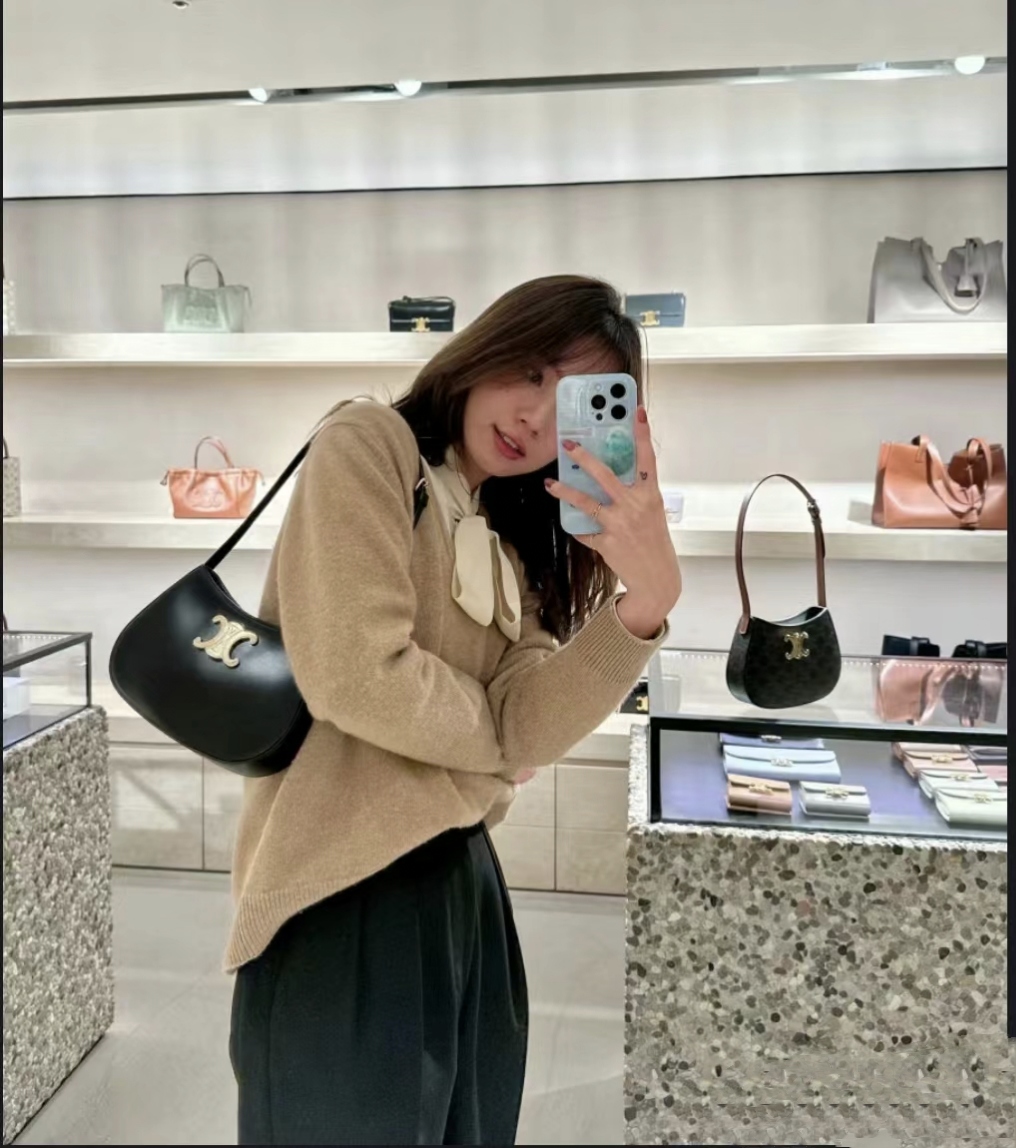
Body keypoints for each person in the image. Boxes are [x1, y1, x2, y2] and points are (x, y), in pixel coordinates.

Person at [227, 274, 682, 1146]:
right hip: (341, 894)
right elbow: (358, 676)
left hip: (464, 891)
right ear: (488, 344)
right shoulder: (369, 444)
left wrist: (645, 606)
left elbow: (533, 722)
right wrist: (497, 740)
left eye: (571, 401)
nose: (534, 418)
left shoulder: (509, 537)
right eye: (533, 371)